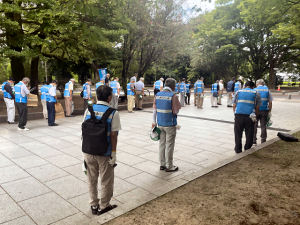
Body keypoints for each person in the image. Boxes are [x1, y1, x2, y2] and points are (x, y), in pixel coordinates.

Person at [83, 85, 121, 215]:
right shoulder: (113, 113)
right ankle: (104, 206)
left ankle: (93, 205)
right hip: (104, 153)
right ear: (109, 97)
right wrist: (114, 154)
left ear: (97, 96)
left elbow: (84, 131)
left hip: (88, 150)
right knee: (106, 180)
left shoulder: (88, 110)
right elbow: (114, 135)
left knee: (91, 179)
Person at [152, 78, 181, 172]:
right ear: (173, 86)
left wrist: (154, 122)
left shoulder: (157, 95)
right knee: (170, 145)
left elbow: (154, 110)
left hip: (160, 123)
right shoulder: (173, 96)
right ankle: (170, 166)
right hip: (170, 124)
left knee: (162, 144)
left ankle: (162, 164)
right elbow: (176, 110)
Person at [233, 81, 261, 153]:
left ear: (245, 86)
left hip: (238, 115)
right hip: (250, 116)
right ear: (252, 87)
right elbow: (257, 107)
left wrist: (235, 114)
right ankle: (247, 148)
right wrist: (256, 117)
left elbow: (234, 105)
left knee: (238, 133)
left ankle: (238, 149)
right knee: (249, 133)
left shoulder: (238, 92)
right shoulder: (256, 93)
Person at [253, 79, 273, 145]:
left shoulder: (254, 90)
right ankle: (263, 140)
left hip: (256, 110)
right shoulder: (267, 90)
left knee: (254, 125)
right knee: (263, 125)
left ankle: (254, 141)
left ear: (257, 83)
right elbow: (270, 102)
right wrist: (269, 110)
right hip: (264, 110)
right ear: (263, 83)